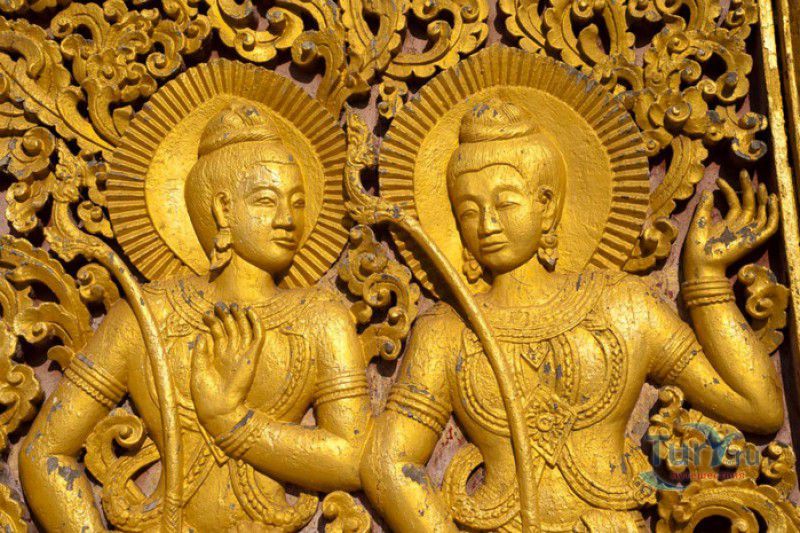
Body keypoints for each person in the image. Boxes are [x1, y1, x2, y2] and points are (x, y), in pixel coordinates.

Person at [361, 99, 784, 532]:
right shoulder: (448, 330)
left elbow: (759, 408)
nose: (487, 224)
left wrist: (706, 282)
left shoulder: (621, 306)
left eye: (505, 204)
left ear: (546, 204)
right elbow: (386, 462)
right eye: (469, 211)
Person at [20, 101, 370, 531]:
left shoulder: (321, 318)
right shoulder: (146, 317)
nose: (287, 219)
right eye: (266, 201)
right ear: (222, 209)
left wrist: (232, 421)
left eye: (297, 202)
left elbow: (352, 457)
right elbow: (45, 451)